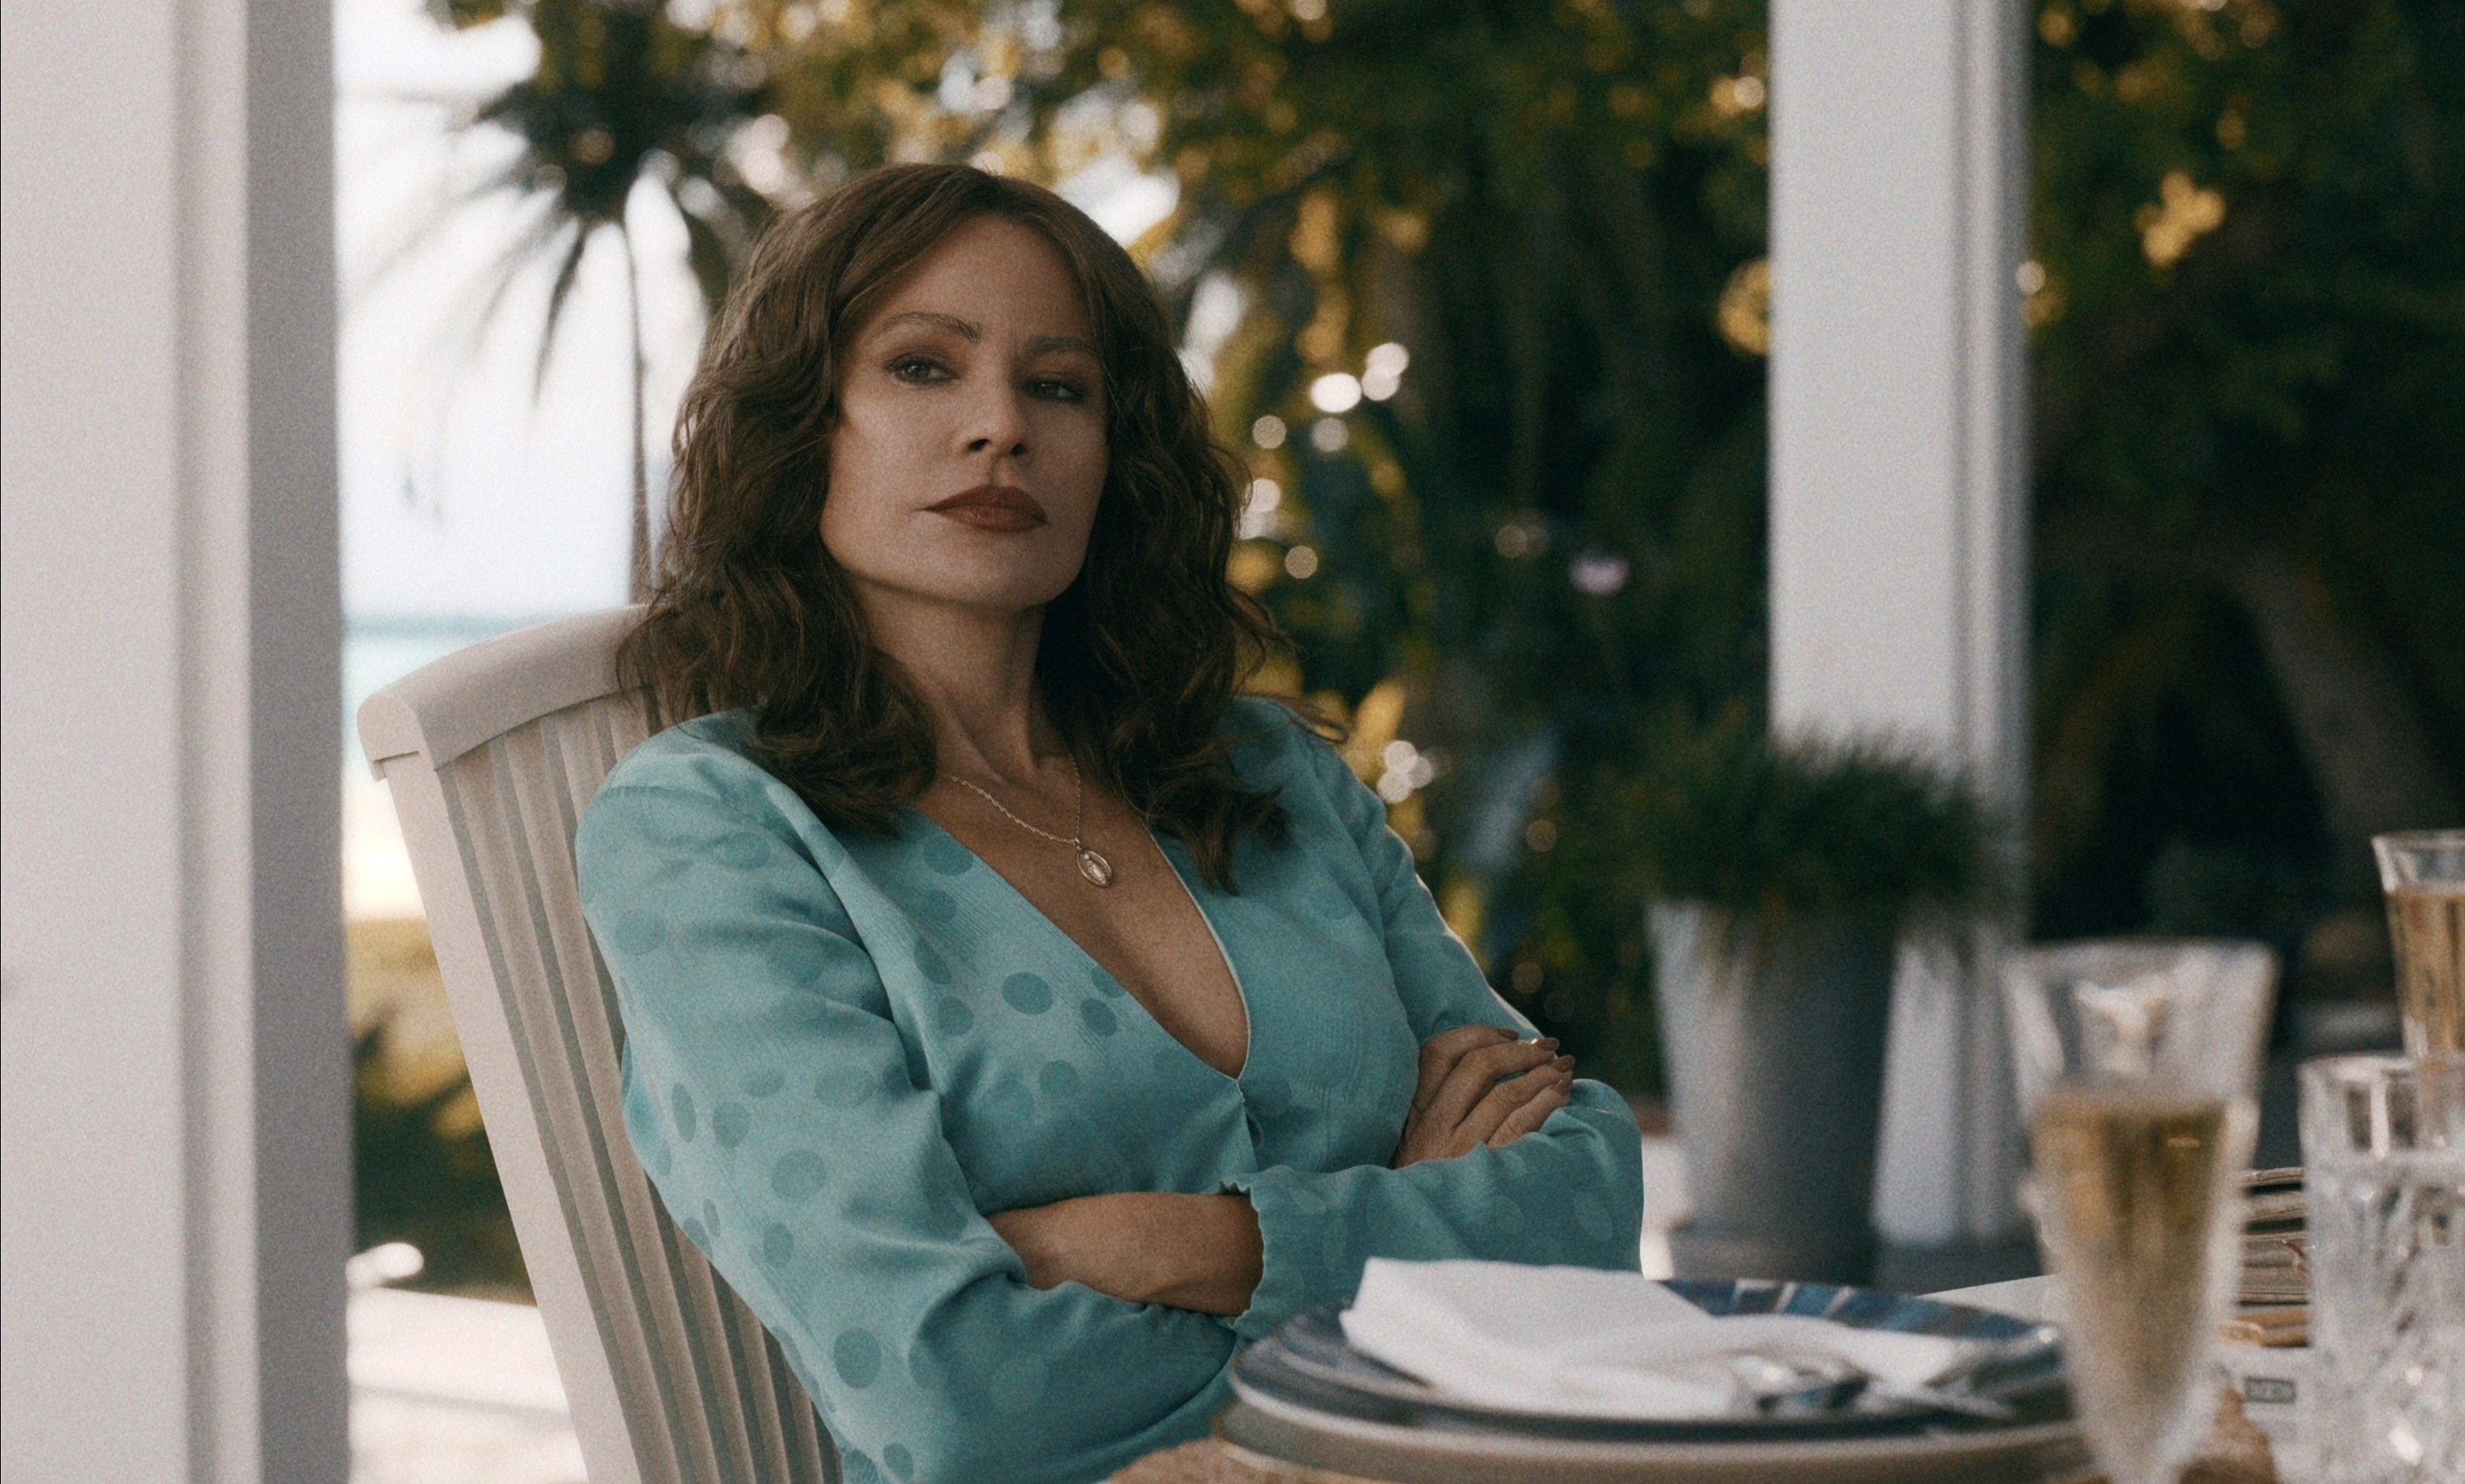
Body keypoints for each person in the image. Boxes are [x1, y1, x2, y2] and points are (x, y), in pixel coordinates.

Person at [576, 163, 1643, 1484]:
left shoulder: (1267, 774)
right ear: (807, 428)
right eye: (922, 367)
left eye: (1060, 386)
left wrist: (1190, 1245)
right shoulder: (714, 830)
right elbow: (957, 1396)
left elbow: (1587, 1198)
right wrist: (1416, 1266)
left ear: (1113, 452)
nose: (1000, 428)